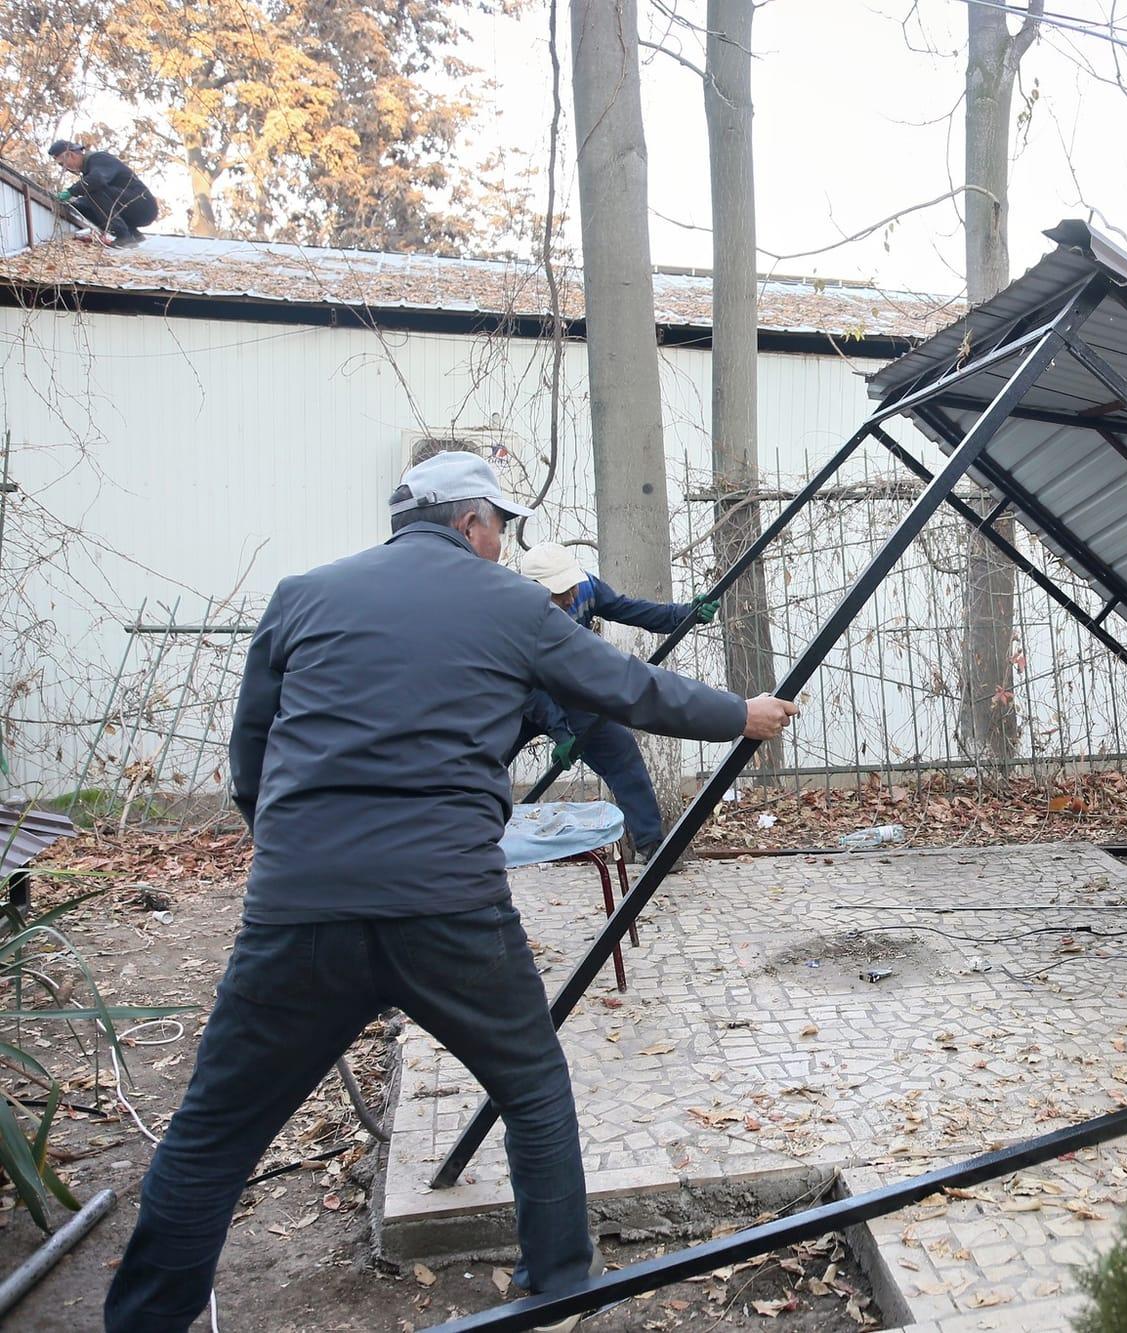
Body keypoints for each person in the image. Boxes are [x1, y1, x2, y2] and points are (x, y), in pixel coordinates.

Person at [104, 452, 798, 1333]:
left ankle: (145, 1321)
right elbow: (631, 689)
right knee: (533, 1087)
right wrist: (742, 713)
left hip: (300, 910)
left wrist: (294, 851)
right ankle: (554, 1289)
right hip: (449, 905)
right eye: (501, 526)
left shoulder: (303, 595)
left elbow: (252, 756)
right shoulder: (507, 601)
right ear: (470, 523)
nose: (504, 543)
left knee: (212, 1132)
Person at [511, 542, 718, 863]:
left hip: (569, 692)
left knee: (621, 753)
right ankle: (465, 841)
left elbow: (631, 610)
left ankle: (650, 845)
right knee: (481, 762)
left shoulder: (587, 590)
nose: (569, 597)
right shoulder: (514, 611)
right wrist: (561, 732)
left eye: (571, 586)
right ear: (533, 589)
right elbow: (527, 685)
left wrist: (683, 614)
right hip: (520, 696)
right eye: (559, 592)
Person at [48, 139, 158, 248]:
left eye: (62, 163)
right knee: (82, 205)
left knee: (91, 189)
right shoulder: (90, 169)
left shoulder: (99, 159)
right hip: (131, 210)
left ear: (70, 155)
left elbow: (96, 180)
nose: (64, 168)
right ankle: (133, 234)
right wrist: (71, 204)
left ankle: (124, 237)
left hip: (144, 206)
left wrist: (70, 191)